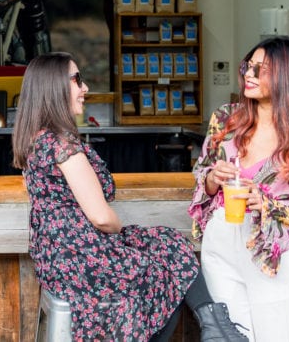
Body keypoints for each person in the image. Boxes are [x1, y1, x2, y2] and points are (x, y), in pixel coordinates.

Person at [13, 52, 247, 341]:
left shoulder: (36, 140)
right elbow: (101, 218)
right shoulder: (63, 146)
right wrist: (118, 228)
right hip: (83, 259)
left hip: (60, 259)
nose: (85, 88)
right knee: (165, 271)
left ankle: (215, 327)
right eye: (77, 80)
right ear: (53, 87)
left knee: (168, 242)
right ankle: (216, 328)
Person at [188, 36, 289, 341]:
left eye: (259, 69)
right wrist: (212, 179)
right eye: (248, 67)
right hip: (221, 239)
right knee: (232, 335)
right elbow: (202, 174)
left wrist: (264, 202)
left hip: (268, 250)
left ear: (285, 77)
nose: (248, 75)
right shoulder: (226, 120)